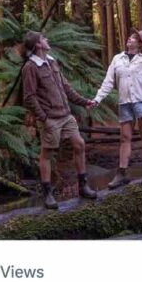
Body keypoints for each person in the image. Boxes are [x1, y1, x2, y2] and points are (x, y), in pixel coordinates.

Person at [21, 30, 98, 210]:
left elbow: (66, 87)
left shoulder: (52, 62)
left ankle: (83, 186)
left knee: (79, 144)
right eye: (43, 38)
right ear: (38, 45)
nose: (47, 40)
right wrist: (44, 119)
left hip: (66, 115)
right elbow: (29, 97)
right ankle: (47, 193)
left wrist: (83, 101)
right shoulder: (30, 67)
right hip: (50, 118)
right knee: (47, 153)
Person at [93, 28, 142, 188]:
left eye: (134, 38)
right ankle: (122, 173)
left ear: (140, 44)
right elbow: (108, 81)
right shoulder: (118, 59)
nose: (130, 39)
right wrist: (97, 99)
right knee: (125, 137)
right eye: (131, 37)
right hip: (125, 102)